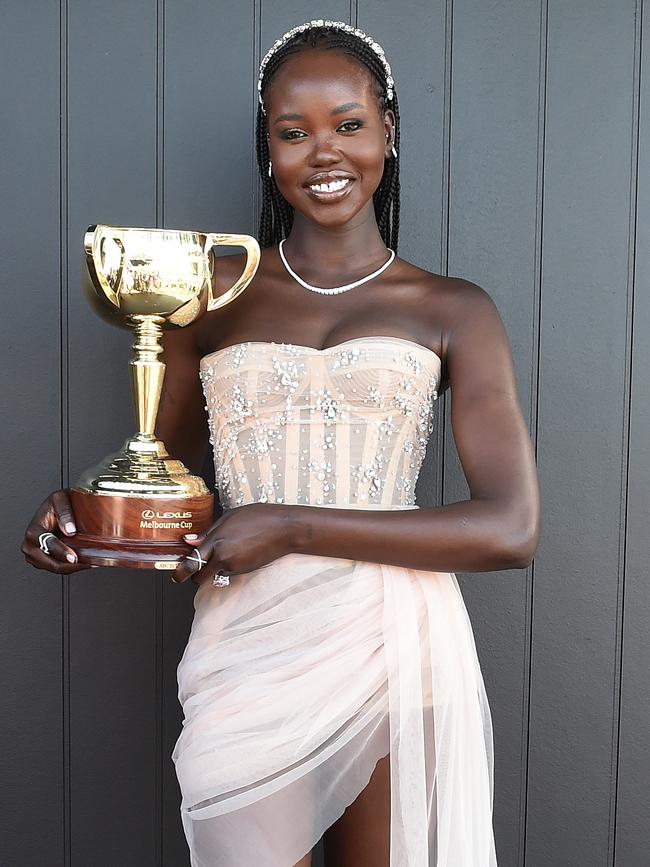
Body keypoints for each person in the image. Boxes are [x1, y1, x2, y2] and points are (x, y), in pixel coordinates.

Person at [21, 19, 540, 867]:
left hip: (393, 645)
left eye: (348, 124)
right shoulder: (210, 297)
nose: (323, 152)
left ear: (388, 132)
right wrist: (91, 517)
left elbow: (511, 529)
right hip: (248, 644)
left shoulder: (455, 309)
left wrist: (292, 525)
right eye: (293, 133)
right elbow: (173, 483)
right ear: (268, 151)